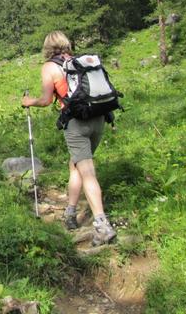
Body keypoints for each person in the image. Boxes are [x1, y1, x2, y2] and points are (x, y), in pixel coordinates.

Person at [21, 30, 116, 246]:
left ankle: (102, 225)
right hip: (99, 118)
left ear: (47, 47)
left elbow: (46, 100)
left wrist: (29, 102)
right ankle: (71, 214)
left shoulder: (49, 67)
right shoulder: (80, 62)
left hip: (77, 123)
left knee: (87, 171)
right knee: (75, 165)